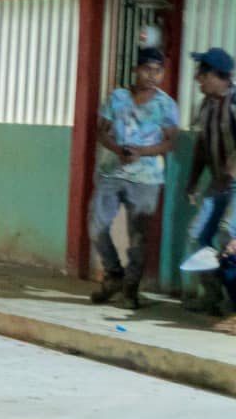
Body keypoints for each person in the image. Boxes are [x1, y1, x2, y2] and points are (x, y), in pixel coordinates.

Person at [88, 47, 180, 309]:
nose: (152, 75)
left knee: (138, 236)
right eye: (147, 69)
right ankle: (113, 274)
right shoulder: (117, 98)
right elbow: (101, 132)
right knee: (96, 225)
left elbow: (170, 142)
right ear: (135, 70)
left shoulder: (166, 105)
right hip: (112, 172)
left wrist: (142, 152)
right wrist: (118, 150)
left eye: (157, 70)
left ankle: (130, 289)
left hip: (146, 177)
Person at [183, 46, 236, 313]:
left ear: (218, 75)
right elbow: (202, 146)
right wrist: (193, 181)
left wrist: (230, 174)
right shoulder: (205, 105)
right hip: (217, 183)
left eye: (202, 74)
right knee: (196, 236)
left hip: (233, 184)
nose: (197, 79)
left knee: (229, 237)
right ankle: (212, 295)